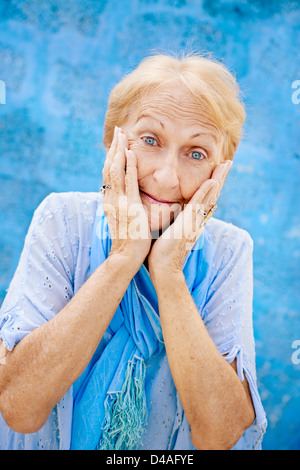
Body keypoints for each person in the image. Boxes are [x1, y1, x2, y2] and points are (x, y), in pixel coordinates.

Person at [0, 53, 267, 450]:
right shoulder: (62, 218)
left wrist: (170, 273)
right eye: (150, 140)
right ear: (113, 141)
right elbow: (20, 408)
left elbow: (220, 434)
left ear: (219, 171)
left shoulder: (229, 250)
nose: (166, 177)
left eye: (196, 153)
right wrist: (123, 259)